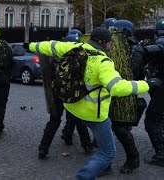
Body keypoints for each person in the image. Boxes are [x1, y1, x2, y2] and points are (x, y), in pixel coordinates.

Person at [26, 26, 152, 179]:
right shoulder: (103, 62)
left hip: (72, 106)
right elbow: (117, 87)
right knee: (108, 153)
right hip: (94, 115)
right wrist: (147, 84)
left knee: (98, 143)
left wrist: (31, 45)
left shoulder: (74, 47)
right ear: (105, 43)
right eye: (110, 43)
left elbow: (51, 46)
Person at [105, 19, 147, 174]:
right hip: (113, 92)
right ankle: (107, 161)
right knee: (109, 127)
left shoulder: (135, 50)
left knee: (119, 127)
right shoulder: (123, 48)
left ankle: (133, 159)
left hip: (125, 95)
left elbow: (133, 73)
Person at [132, 18, 164, 167]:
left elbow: (159, 47)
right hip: (158, 89)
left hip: (161, 90)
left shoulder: (158, 44)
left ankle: (161, 155)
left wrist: (142, 50)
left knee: (151, 121)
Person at [59, 32, 95, 154]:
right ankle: (86, 144)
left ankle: (67, 134)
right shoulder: (79, 56)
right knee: (79, 119)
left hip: (65, 91)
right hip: (75, 91)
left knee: (71, 116)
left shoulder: (63, 57)